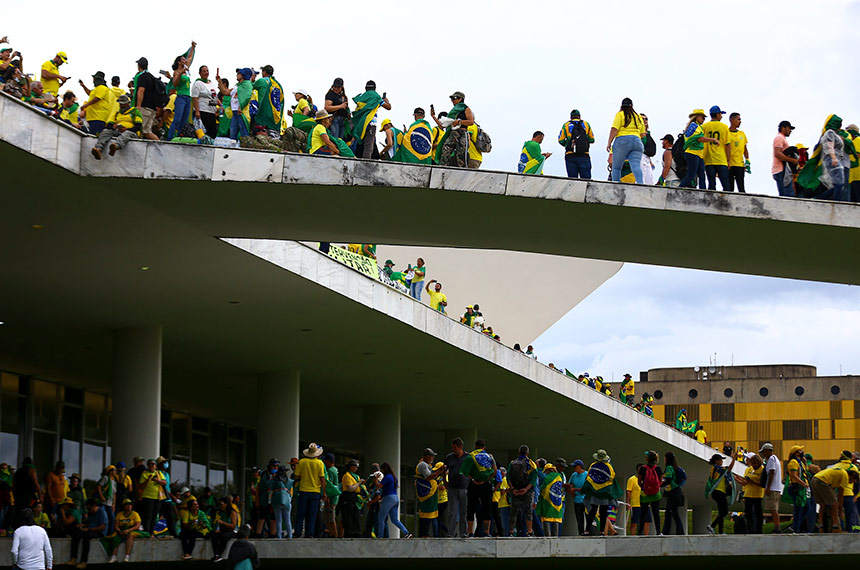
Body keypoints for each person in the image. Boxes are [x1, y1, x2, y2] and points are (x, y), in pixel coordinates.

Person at [797, 115, 856, 201]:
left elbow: (847, 143)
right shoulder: (830, 133)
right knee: (839, 184)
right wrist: (834, 158)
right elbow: (829, 146)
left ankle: (818, 198)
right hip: (833, 160)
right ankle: (836, 202)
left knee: (838, 185)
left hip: (837, 161)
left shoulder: (838, 134)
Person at [461, 439, 498, 537]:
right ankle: (487, 532)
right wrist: (486, 479)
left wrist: (473, 479)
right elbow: (495, 470)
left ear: (475, 446)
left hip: (474, 484)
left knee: (471, 508)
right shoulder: (490, 456)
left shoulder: (470, 456)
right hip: (486, 484)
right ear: (484, 447)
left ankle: (470, 532)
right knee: (487, 507)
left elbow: (464, 471)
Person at [90, 94, 141, 160]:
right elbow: (109, 125)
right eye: (120, 104)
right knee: (105, 131)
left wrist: (127, 129)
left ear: (128, 103)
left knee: (127, 134)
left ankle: (115, 146)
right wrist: (113, 127)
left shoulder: (135, 112)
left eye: (124, 104)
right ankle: (98, 149)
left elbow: (138, 126)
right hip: (118, 130)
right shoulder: (117, 113)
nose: (122, 106)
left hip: (131, 132)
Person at [606, 98, 645, 183]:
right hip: (637, 142)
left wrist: (609, 143)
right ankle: (641, 184)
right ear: (632, 106)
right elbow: (643, 134)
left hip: (622, 141)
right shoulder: (638, 117)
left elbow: (614, 129)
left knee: (616, 167)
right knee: (636, 166)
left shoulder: (620, 114)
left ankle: (615, 184)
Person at [679, 109, 720, 189]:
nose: (704, 119)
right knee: (691, 174)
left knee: (701, 175)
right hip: (692, 152)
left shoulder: (698, 127)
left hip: (698, 154)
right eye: (702, 117)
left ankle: (703, 191)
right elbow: (699, 139)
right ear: (697, 117)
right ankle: (679, 188)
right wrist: (713, 139)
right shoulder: (694, 126)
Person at [432, 91, 475, 167]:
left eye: (454, 98)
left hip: (462, 133)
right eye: (451, 99)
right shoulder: (453, 112)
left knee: (461, 154)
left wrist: (459, 122)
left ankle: (462, 172)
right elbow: (443, 126)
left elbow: (471, 122)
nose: (452, 101)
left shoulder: (466, 109)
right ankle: (442, 169)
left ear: (460, 99)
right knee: (445, 152)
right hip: (452, 133)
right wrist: (433, 117)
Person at [351, 80, 391, 159]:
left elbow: (367, 107)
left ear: (366, 88)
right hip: (371, 123)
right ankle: (366, 163)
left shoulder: (362, 97)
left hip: (360, 124)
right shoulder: (376, 96)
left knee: (359, 142)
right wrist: (386, 101)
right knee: (368, 145)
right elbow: (388, 107)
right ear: (374, 88)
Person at [293, 442, 326, 538]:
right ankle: (309, 533)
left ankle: (297, 533)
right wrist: (324, 493)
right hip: (315, 492)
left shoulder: (302, 462)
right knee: (312, 515)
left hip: (303, 491)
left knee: (300, 514)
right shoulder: (319, 463)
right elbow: (322, 479)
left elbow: (297, 476)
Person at [812, 467, 859, 533]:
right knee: (835, 504)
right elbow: (841, 494)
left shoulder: (839, 473)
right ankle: (835, 527)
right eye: (851, 481)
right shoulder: (845, 476)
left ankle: (821, 526)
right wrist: (840, 509)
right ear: (851, 476)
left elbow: (831, 491)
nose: (850, 483)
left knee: (822, 505)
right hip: (822, 481)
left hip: (814, 479)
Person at [506, 445, 537, 536]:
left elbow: (508, 477)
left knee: (513, 511)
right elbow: (533, 479)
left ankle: (511, 531)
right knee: (528, 512)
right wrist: (526, 489)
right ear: (527, 453)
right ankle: (529, 531)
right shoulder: (531, 464)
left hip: (515, 490)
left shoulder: (512, 463)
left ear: (519, 452)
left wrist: (513, 489)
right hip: (526, 491)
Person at [67, 499, 107, 569]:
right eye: (87, 508)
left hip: (98, 531)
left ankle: (84, 561)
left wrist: (89, 529)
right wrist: (82, 525)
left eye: (89, 508)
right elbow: (89, 522)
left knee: (86, 537)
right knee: (76, 535)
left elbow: (102, 527)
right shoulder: (90, 513)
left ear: (94, 506)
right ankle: (73, 558)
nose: (88, 510)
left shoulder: (101, 513)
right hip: (89, 529)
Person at [375, 462, 411, 538]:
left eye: (382, 470)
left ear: (384, 469)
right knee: (394, 519)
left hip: (389, 498)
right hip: (395, 498)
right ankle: (406, 532)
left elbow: (378, 486)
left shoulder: (387, 477)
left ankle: (380, 536)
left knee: (381, 517)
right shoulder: (393, 477)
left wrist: (376, 479)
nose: (381, 472)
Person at [558, 109, 595, 179]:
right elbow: (592, 139)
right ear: (580, 116)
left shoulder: (566, 125)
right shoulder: (586, 124)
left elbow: (561, 140)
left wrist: (568, 144)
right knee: (586, 180)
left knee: (572, 181)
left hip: (570, 155)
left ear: (571, 117)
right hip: (584, 155)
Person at [702, 105, 732, 191]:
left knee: (711, 185)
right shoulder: (724, 127)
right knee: (726, 185)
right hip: (721, 159)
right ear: (718, 114)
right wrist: (729, 160)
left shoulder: (704, 126)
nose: (721, 116)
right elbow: (727, 145)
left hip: (708, 159)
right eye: (721, 114)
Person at [444, 438, 469, 537]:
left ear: (460, 447)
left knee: (463, 512)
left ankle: (463, 532)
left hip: (464, 487)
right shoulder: (449, 457)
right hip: (452, 487)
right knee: (452, 512)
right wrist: (445, 481)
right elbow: (444, 469)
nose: (453, 450)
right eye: (452, 448)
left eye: (455, 448)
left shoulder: (467, 457)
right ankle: (451, 533)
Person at [783, 445, 811, 532]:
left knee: (806, 508)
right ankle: (796, 529)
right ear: (796, 453)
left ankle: (795, 525)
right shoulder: (793, 462)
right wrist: (803, 484)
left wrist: (805, 462)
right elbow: (793, 475)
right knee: (799, 509)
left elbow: (805, 472)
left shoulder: (800, 462)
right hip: (797, 488)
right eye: (800, 451)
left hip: (801, 488)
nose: (802, 452)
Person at [735, 453, 765, 534]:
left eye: (755, 463)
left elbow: (763, 484)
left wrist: (752, 482)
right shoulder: (749, 469)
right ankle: (750, 528)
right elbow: (745, 482)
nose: (753, 465)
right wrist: (738, 479)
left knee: (758, 512)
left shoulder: (762, 470)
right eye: (752, 463)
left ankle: (759, 529)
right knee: (747, 512)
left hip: (757, 494)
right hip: (748, 494)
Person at [106, 499, 144, 563]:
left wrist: (128, 530)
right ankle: (114, 556)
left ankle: (127, 556)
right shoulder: (119, 515)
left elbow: (137, 526)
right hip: (121, 530)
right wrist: (119, 530)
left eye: (130, 505)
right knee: (115, 538)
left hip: (132, 529)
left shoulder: (135, 514)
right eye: (127, 505)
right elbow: (116, 526)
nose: (129, 506)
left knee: (130, 536)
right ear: (123, 506)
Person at [705, 453, 735, 534]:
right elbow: (729, 469)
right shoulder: (717, 468)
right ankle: (712, 526)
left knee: (721, 512)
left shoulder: (714, 468)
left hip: (718, 492)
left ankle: (721, 531)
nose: (722, 461)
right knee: (725, 512)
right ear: (716, 461)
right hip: (719, 492)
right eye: (721, 460)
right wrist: (733, 459)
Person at [251, 64, 283, 136]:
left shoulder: (262, 81)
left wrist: (251, 79)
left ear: (264, 72)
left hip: (262, 111)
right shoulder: (277, 84)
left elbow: (249, 87)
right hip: (274, 115)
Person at [221, 68, 253, 141]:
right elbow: (225, 92)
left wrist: (240, 107)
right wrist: (219, 81)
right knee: (232, 133)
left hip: (242, 113)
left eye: (239, 73)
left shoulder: (247, 84)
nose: (237, 75)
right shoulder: (237, 86)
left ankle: (245, 149)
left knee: (244, 133)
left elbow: (247, 96)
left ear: (244, 75)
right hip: (235, 112)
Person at [758, 443, 783, 533]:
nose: (763, 454)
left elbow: (771, 472)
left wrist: (768, 487)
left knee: (773, 509)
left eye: (764, 452)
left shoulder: (771, 459)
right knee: (773, 509)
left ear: (769, 451)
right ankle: (777, 527)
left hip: (773, 488)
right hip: (775, 487)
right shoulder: (775, 459)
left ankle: (777, 528)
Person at [137, 459, 166, 535]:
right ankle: (147, 532)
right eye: (149, 464)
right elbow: (141, 486)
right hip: (147, 497)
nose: (151, 465)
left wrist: (157, 480)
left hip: (158, 497)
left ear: (155, 466)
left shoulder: (159, 473)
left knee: (154, 516)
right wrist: (148, 480)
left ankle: (151, 532)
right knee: (148, 515)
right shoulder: (145, 474)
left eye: (153, 464)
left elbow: (164, 482)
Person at [637, 451, 662, 535]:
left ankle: (640, 531)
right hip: (656, 494)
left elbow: (639, 481)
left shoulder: (642, 469)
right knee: (656, 513)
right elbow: (660, 481)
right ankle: (658, 531)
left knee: (643, 513)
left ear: (647, 459)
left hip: (645, 493)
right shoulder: (658, 469)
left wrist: (643, 487)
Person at [772, 121, 799, 197]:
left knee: (788, 194)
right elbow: (777, 154)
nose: (790, 131)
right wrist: (792, 160)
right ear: (783, 128)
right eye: (789, 128)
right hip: (781, 170)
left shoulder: (782, 138)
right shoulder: (779, 138)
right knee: (787, 195)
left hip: (784, 170)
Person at [661, 452, 685, 535]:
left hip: (673, 493)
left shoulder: (669, 467)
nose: (664, 459)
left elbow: (668, 479)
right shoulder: (675, 467)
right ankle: (671, 532)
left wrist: (659, 485)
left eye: (664, 458)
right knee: (671, 513)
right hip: (676, 492)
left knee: (672, 513)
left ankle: (667, 532)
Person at [192, 65, 219, 138]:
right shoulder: (198, 83)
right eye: (204, 71)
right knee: (203, 133)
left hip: (211, 112)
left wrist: (220, 106)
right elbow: (195, 97)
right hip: (202, 110)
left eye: (207, 71)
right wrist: (197, 111)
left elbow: (214, 96)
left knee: (212, 133)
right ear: (200, 73)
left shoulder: (211, 83)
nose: (206, 72)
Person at [268, 463, 292, 539]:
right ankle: (290, 536)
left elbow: (269, 488)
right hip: (287, 501)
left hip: (276, 501)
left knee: (278, 520)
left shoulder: (274, 481)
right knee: (288, 521)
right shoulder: (289, 481)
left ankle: (279, 536)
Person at [340, 459, 364, 538]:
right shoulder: (347, 476)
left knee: (356, 515)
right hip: (348, 496)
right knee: (348, 516)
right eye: (355, 466)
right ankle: (350, 532)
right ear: (350, 467)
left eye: (357, 467)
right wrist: (359, 483)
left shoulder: (356, 476)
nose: (356, 468)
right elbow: (350, 488)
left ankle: (357, 532)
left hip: (355, 497)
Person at [727, 113, 750, 192]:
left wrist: (747, 160)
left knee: (741, 187)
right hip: (729, 165)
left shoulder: (742, 134)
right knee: (729, 188)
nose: (740, 121)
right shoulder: (726, 133)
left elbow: (745, 148)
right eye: (738, 119)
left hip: (739, 164)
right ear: (732, 120)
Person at [321, 453, 341, 538]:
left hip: (331, 497)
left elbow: (329, 485)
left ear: (329, 461)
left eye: (325, 461)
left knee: (330, 517)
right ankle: (332, 533)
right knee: (328, 516)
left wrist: (327, 497)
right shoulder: (335, 469)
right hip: (335, 497)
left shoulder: (330, 471)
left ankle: (334, 534)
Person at [639, 114, 657, 185]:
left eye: (646, 119)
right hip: (640, 156)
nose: (644, 120)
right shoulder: (637, 132)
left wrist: (650, 161)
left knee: (649, 180)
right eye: (642, 119)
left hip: (647, 158)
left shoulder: (648, 134)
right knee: (641, 179)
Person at [625, 464, 642, 536]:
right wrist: (628, 503)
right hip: (635, 504)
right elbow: (628, 491)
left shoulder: (646, 479)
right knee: (634, 522)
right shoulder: (632, 479)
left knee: (646, 521)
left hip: (644, 503)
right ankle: (633, 536)